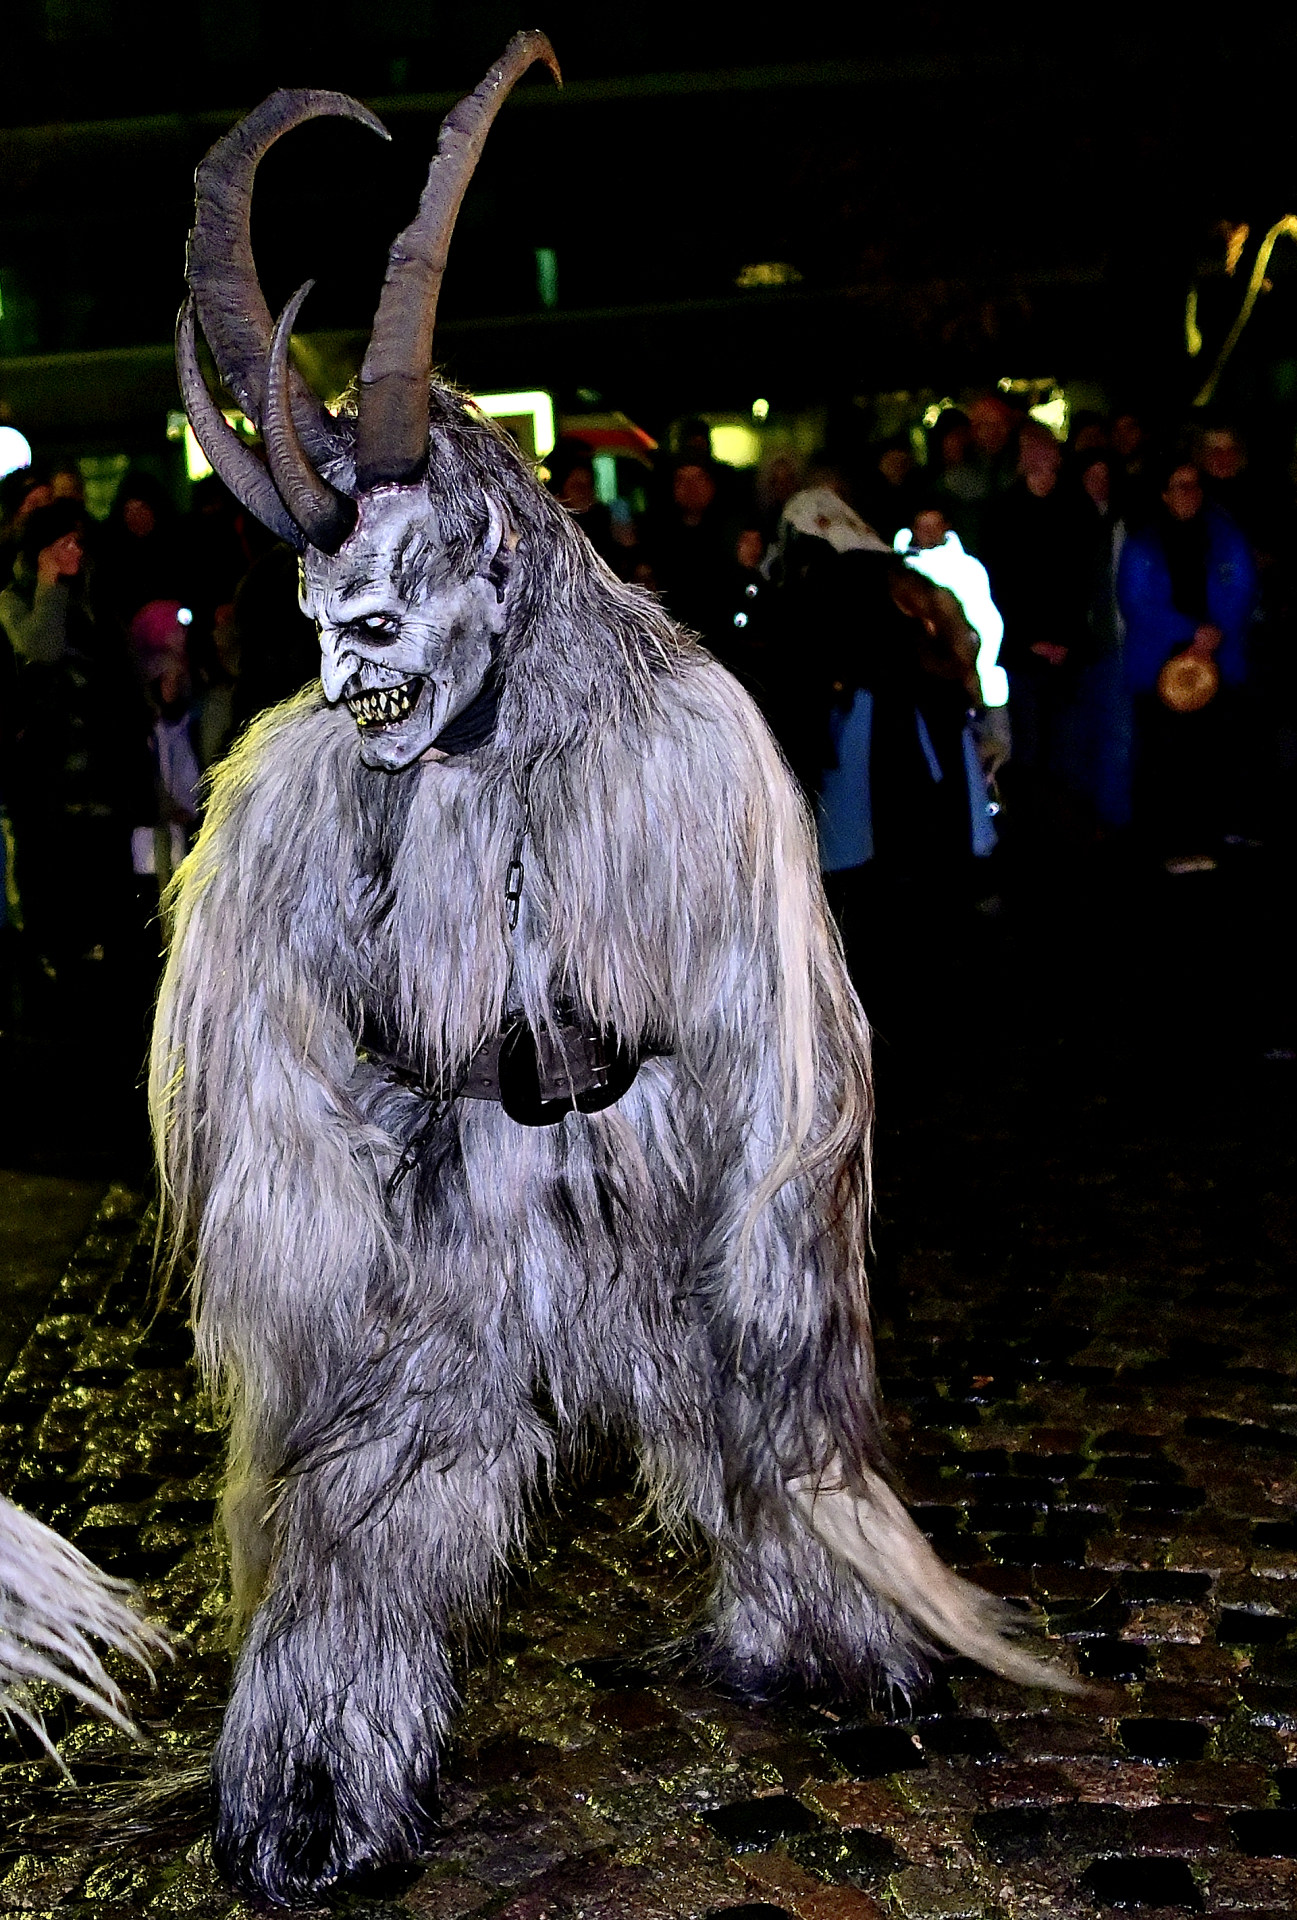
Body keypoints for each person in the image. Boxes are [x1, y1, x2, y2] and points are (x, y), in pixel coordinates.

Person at [0, 501, 151, 976]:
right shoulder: (16, 597)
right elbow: (40, 647)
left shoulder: (94, 595)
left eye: (77, 543)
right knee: (52, 868)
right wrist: (49, 586)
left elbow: (122, 665)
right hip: (47, 763)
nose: (75, 552)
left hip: (103, 759)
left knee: (106, 868)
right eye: (64, 543)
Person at [1115, 457, 1257, 869]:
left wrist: (1216, 631)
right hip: (1161, 663)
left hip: (1218, 659)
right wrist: (1189, 631)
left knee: (1212, 754)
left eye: (1195, 485)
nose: (1189, 494)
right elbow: (1136, 602)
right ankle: (1166, 843)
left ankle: (1207, 837)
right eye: (1179, 485)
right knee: (1163, 755)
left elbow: (1243, 587)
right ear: (1163, 493)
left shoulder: (1225, 536)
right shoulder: (1143, 544)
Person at [982, 421, 1093, 813]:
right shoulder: (1002, 513)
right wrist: (1029, 639)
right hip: (1022, 651)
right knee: (1027, 746)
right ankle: (1032, 826)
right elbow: (998, 585)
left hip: (1068, 651)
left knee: (1068, 746)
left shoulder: (1075, 508)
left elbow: (1084, 581)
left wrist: (1068, 641)